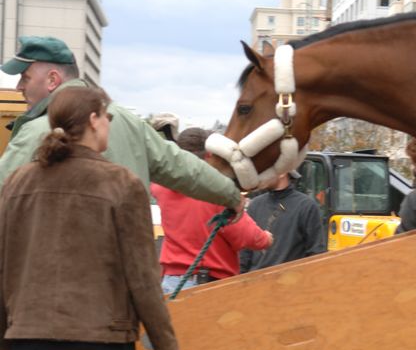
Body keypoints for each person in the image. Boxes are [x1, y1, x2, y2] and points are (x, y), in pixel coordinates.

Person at [0, 86, 178, 350]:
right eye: (107, 116)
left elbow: (3, 266)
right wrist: (164, 341)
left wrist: (3, 340)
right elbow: (142, 274)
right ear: (94, 120)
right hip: (101, 346)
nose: (109, 123)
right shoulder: (122, 183)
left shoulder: (18, 182)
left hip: (30, 343)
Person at [0, 36, 244, 217]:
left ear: (53, 80)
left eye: (25, 78)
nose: (20, 86)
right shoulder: (127, 120)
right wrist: (230, 195)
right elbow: (183, 167)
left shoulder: (36, 131)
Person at [152, 127, 274, 294]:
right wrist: (265, 239)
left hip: (171, 282)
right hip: (208, 285)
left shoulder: (162, 187)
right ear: (209, 155)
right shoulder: (215, 191)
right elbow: (244, 235)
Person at [240, 171, 326, 273]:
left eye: (267, 170)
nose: (262, 175)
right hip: (255, 284)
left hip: (291, 284)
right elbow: (244, 255)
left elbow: (316, 254)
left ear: (282, 172)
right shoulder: (255, 205)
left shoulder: (306, 206)